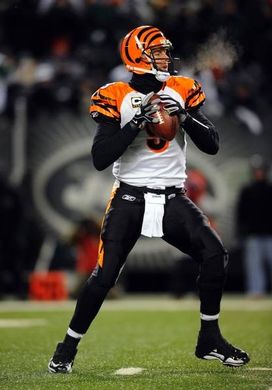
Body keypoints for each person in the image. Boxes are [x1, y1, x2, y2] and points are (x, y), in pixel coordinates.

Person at [48, 25, 249, 373]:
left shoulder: (181, 90)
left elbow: (212, 144)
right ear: (136, 57)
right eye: (157, 52)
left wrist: (184, 116)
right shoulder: (115, 95)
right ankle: (67, 346)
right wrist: (135, 123)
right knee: (104, 276)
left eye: (165, 52)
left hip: (173, 197)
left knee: (215, 255)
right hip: (129, 197)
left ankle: (209, 338)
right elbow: (100, 158)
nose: (165, 58)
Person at [236, 154, 272, 297]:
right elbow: (241, 214)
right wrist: (241, 233)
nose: (259, 173)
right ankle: (256, 292)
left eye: (261, 170)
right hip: (252, 235)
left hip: (270, 234)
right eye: (256, 170)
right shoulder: (246, 191)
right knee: (254, 267)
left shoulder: (270, 190)